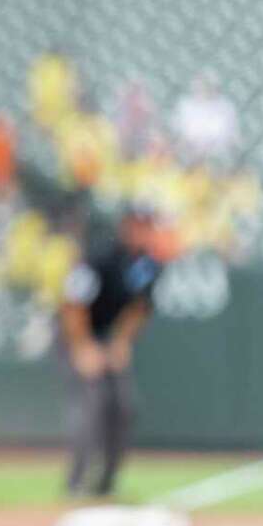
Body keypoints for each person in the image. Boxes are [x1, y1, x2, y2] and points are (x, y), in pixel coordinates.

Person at [59, 206, 163, 498]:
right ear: (126, 226)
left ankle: (106, 483)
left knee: (124, 406)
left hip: (108, 335)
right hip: (77, 332)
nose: (143, 231)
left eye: (148, 225)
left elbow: (139, 309)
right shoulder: (99, 257)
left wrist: (121, 342)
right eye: (138, 224)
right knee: (92, 404)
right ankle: (76, 483)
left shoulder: (147, 265)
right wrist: (82, 347)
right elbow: (73, 303)